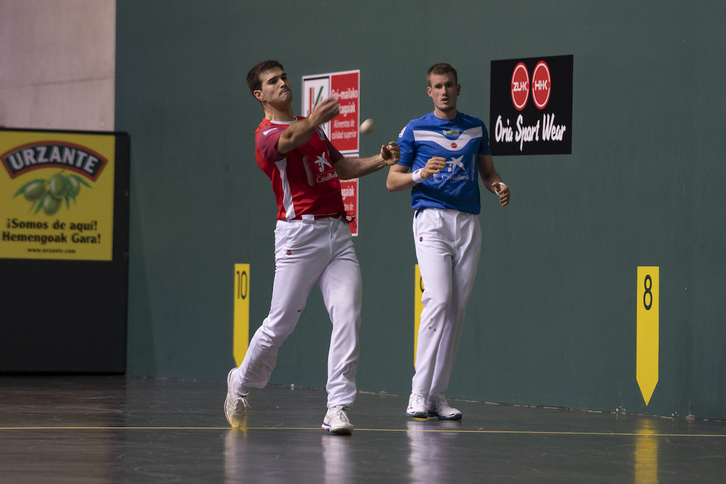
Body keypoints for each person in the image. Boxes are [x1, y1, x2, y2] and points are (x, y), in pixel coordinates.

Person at [225, 60, 400, 435]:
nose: (282, 83)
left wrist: (380, 161)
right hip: (298, 239)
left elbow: (341, 168)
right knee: (279, 325)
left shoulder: (312, 128)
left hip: (337, 234)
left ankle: (337, 407)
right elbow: (288, 141)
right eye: (273, 82)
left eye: (284, 77)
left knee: (347, 316)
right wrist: (313, 120)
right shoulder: (266, 135)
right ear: (260, 95)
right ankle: (239, 381)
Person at [386, 63, 510, 420]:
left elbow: (487, 172)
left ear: (459, 88)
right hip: (432, 220)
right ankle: (417, 394)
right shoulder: (415, 129)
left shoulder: (476, 127)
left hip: (468, 222)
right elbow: (392, 182)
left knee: (456, 310)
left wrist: (498, 186)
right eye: (437, 86)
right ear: (429, 91)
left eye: (449, 85)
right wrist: (421, 173)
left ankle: (438, 397)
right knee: (438, 300)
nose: (444, 91)